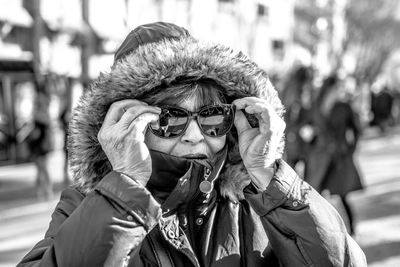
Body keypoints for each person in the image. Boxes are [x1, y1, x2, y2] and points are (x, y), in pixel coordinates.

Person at [19, 22, 366, 266]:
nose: (196, 134)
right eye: (169, 118)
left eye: (212, 115)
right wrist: (122, 191)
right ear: (127, 125)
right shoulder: (85, 207)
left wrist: (274, 179)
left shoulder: (254, 202)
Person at [305, 75, 363, 235]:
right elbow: (310, 125)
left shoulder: (345, 107)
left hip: (339, 157)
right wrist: (309, 137)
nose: (342, 91)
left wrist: (350, 150)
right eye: (339, 87)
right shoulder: (316, 105)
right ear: (330, 88)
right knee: (316, 196)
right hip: (320, 156)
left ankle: (352, 230)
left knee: (342, 196)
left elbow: (357, 130)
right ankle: (322, 230)